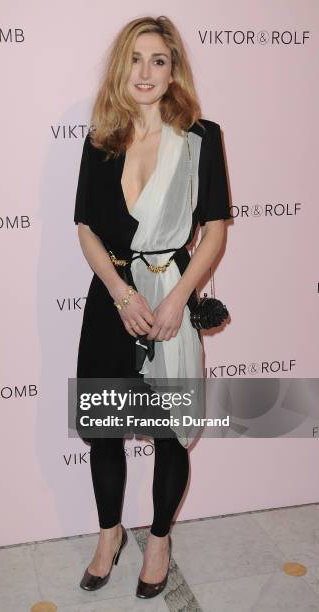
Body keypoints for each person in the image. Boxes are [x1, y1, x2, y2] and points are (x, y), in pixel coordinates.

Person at [73, 15, 231, 599]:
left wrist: (178, 299)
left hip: (172, 296)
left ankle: (160, 538)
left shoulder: (201, 137)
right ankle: (109, 534)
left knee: (168, 433)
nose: (145, 72)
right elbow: (86, 226)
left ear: (174, 70)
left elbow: (213, 231)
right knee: (105, 429)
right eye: (135, 59)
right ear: (122, 67)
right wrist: (120, 293)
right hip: (113, 299)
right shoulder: (101, 136)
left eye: (158, 60)